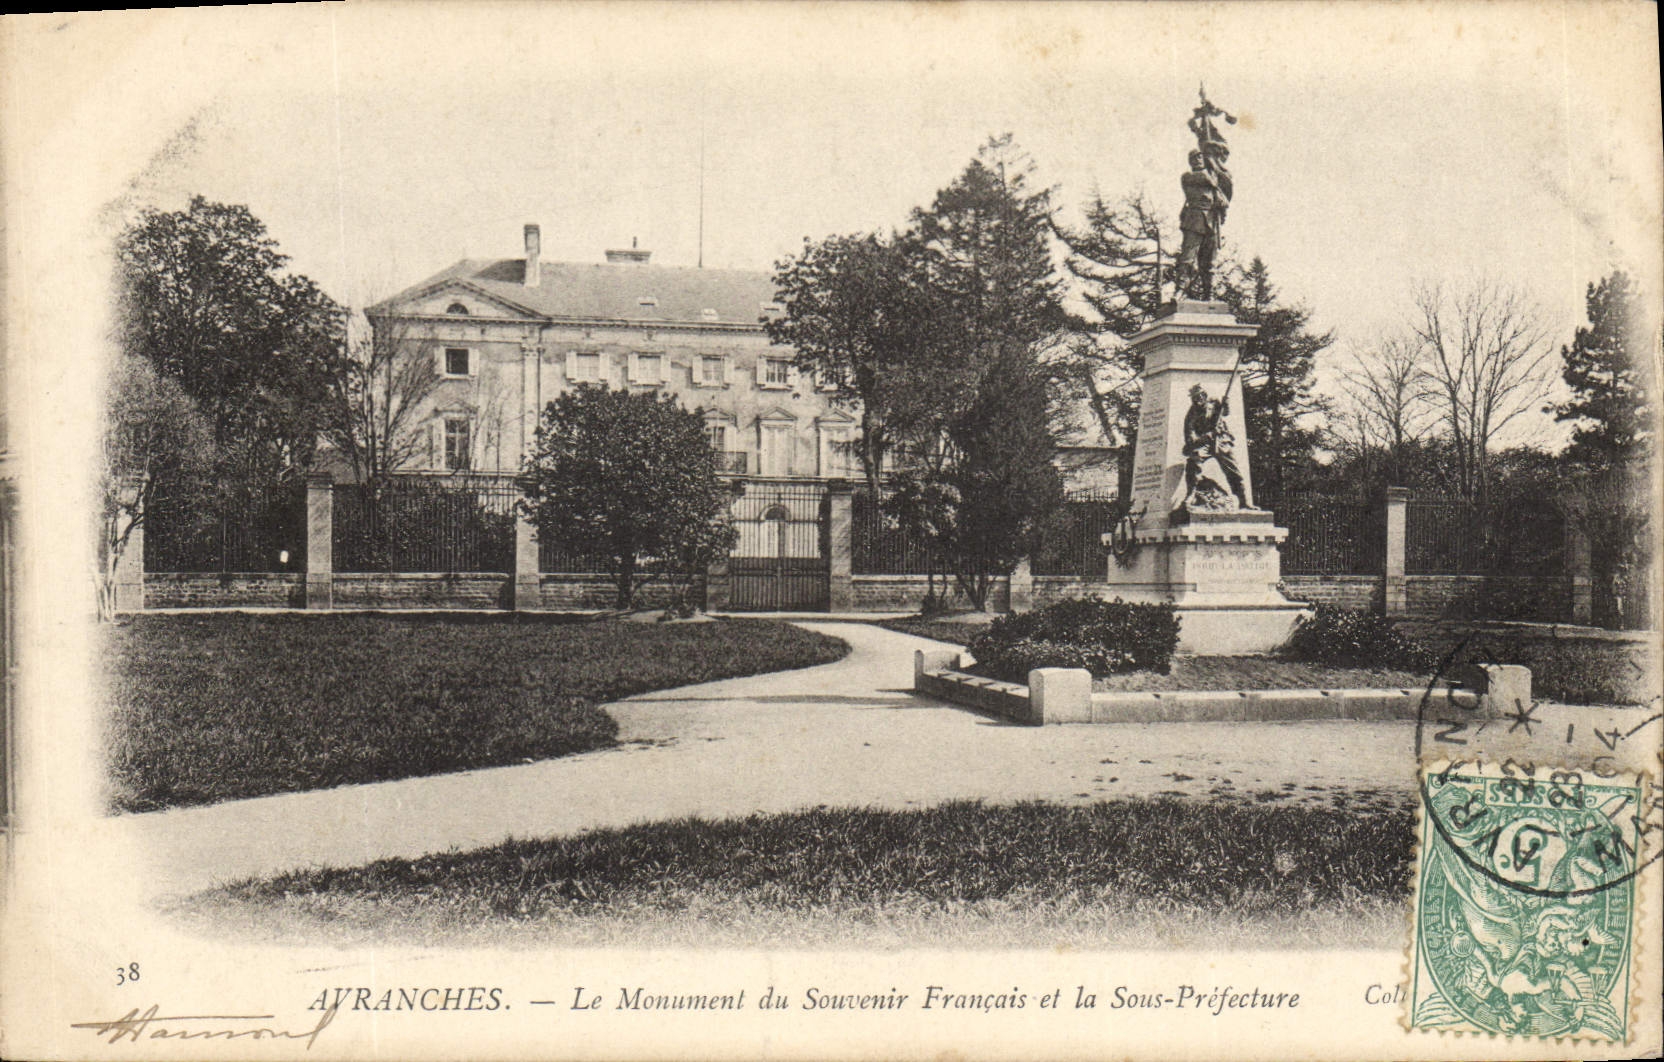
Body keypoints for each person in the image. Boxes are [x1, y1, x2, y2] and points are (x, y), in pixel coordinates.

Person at [1181, 383, 1248, 509]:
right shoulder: (1191, 414)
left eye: (1199, 397)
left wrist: (1226, 404)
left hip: (1221, 440)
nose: (1196, 400)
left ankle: (1243, 500)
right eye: (1194, 398)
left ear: (1204, 395)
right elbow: (1190, 438)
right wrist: (1207, 436)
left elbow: (1225, 413)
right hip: (1205, 442)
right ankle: (1191, 494)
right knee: (1193, 462)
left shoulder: (1214, 402)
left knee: (1233, 469)